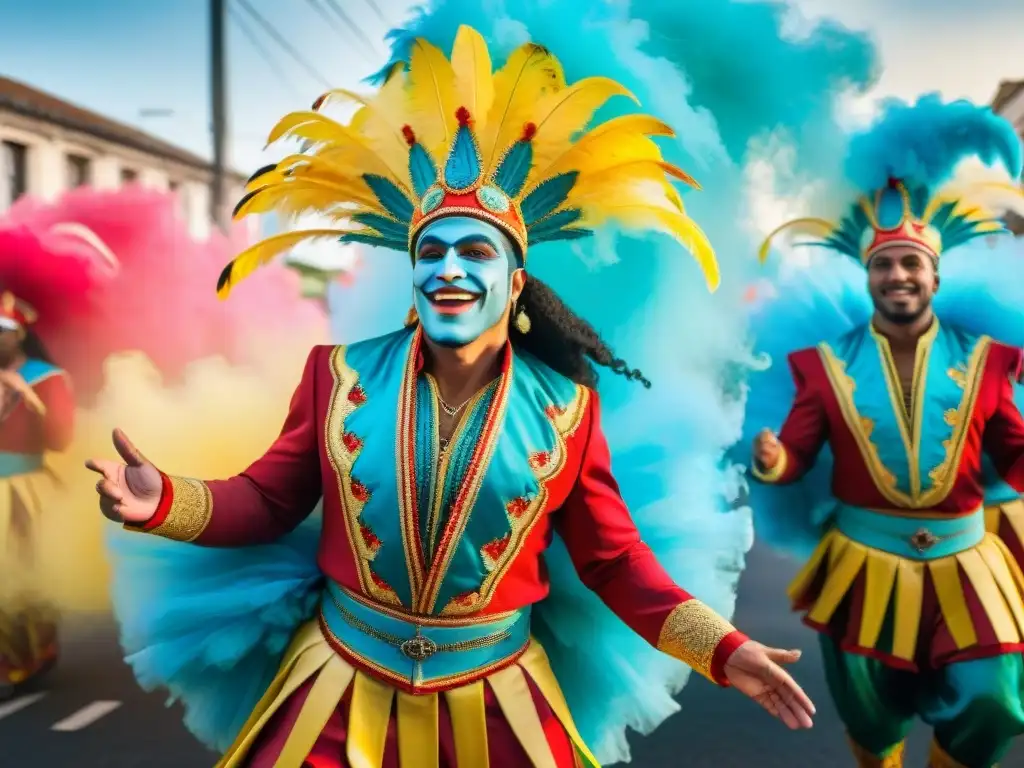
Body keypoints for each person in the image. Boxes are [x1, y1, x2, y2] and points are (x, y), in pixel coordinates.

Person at [89, 25, 815, 768]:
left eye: (474, 253)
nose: (448, 270)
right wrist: (168, 502)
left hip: (499, 696)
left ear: (514, 280)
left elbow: (614, 561)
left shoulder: (567, 410)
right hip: (338, 688)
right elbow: (269, 501)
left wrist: (722, 650)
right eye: (429, 252)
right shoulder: (335, 376)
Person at [750, 95, 1024, 768]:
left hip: (968, 562)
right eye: (884, 265)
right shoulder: (822, 365)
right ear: (867, 275)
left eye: (910, 265)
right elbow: (799, 455)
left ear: (934, 274)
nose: (897, 276)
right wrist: (774, 460)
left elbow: (1014, 453)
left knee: (996, 705)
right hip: (863, 566)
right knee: (872, 722)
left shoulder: (989, 359)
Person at [0, 291, 75, 697]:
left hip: (26, 491)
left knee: (26, 576)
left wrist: (26, 398)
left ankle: (32, 654)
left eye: (2, 330)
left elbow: (62, 440)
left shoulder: (46, 378)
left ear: (20, 333)